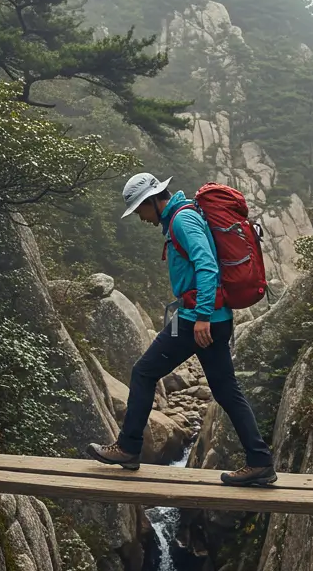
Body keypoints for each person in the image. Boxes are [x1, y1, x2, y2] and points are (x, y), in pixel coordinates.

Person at [85, 173, 278, 486]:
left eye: (139, 209)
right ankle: (260, 462)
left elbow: (207, 266)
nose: (140, 217)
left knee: (144, 372)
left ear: (153, 201)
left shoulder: (182, 220)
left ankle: (128, 448)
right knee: (226, 391)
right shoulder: (181, 216)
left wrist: (202, 316)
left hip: (197, 319)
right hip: (204, 316)